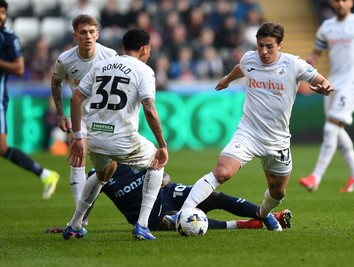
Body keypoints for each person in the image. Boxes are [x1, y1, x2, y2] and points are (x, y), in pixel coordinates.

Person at [163, 22, 334, 231]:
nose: (263, 51)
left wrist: (325, 86)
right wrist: (227, 79)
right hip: (248, 133)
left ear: (280, 45)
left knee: (278, 191)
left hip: (277, 140)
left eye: (269, 46)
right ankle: (183, 212)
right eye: (260, 45)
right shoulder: (249, 59)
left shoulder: (293, 64)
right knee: (222, 172)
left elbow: (321, 79)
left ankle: (263, 215)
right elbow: (241, 68)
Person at [64, 29, 168, 241]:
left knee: (103, 174)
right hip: (122, 139)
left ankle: (74, 225)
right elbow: (150, 109)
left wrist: (77, 137)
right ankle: (142, 225)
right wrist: (162, 144)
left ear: (124, 46)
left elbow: (76, 99)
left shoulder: (100, 65)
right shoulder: (143, 70)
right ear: (145, 49)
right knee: (157, 161)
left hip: (94, 137)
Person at [46, 166, 292, 233]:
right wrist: (75, 225)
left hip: (169, 193)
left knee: (213, 196)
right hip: (151, 217)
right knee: (185, 223)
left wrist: (163, 179)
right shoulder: (97, 175)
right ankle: (244, 224)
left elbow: (164, 176)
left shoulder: (135, 153)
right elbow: (87, 202)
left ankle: (265, 215)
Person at [299, 0, 354, 192]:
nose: (340, 3)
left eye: (344, 0)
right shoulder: (326, 27)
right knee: (336, 129)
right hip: (333, 82)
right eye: (336, 0)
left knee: (331, 128)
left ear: (351, 2)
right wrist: (309, 67)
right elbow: (315, 56)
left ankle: (315, 177)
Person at [51, 14, 118, 212]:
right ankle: (80, 219)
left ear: (97, 34)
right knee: (77, 159)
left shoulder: (110, 56)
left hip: (106, 119)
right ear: (75, 36)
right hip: (81, 117)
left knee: (108, 170)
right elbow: (55, 82)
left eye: (91, 32)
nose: (87, 36)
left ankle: (84, 209)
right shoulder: (65, 60)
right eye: (83, 32)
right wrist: (61, 114)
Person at [0, 0, 59, 200]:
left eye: (3, 12)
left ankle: (45, 174)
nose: (1, 16)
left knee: (2, 148)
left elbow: (19, 68)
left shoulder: (8, 38)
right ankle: (44, 174)